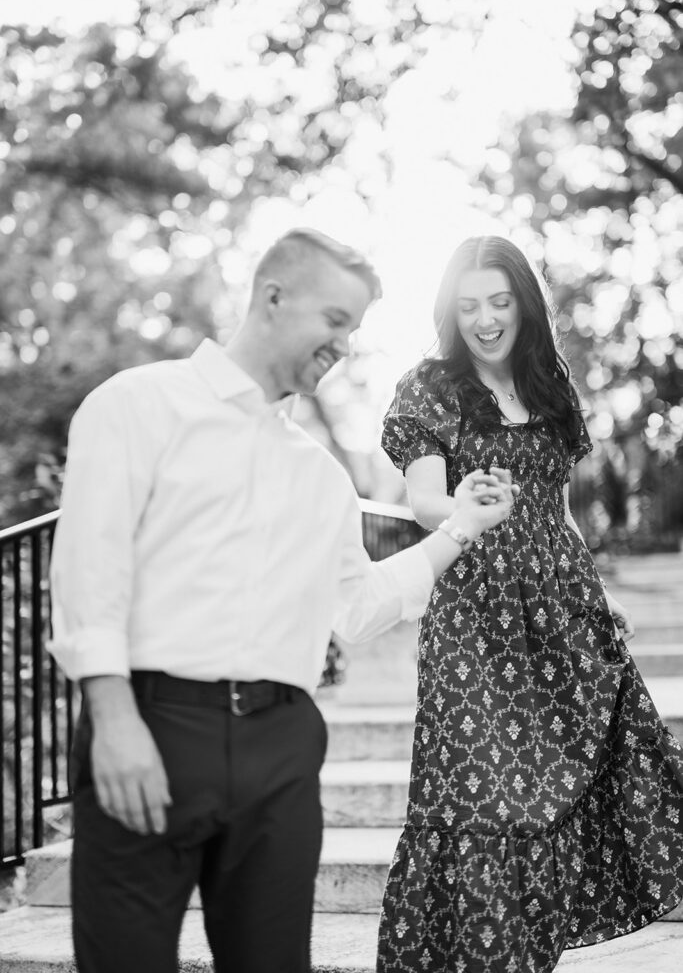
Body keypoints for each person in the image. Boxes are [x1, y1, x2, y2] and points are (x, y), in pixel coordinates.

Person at [49, 227, 517, 973]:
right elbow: (89, 569)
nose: (344, 344)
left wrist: (460, 525)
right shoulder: (138, 405)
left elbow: (358, 605)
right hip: (152, 725)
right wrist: (111, 717)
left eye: (354, 329)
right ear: (273, 296)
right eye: (334, 321)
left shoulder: (320, 475)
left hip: (282, 749)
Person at [376, 234, 683, 973]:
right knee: (481, 791)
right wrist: (464, 507)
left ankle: (531, 953)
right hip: (474, 617)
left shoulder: (550, 385)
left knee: (586, 775)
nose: (484, 318)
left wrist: (596, 603)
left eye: (498, 301)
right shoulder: (432, 386)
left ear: (523, 304)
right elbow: (420, 499)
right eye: (469, 304)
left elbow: (563, 513)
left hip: (562, 613)